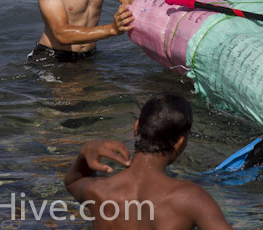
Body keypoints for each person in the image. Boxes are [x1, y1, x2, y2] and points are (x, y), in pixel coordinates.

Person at [65, 93, 232, 229]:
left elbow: (72, 182)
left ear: (136, 127)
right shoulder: (190, 197)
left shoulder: (98, 190)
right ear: (180, 142)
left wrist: (85, 152)